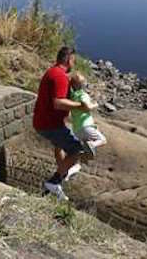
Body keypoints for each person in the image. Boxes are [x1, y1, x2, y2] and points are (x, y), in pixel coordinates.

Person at [33, 46, 92, 201]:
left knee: (59, 145)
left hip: (44, 121)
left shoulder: (52, 71)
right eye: (73, 60)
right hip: (49, 124)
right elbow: (58, 103)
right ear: (68, 59)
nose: (74, 63)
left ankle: (62, 173)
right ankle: (54, 181)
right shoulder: (59, 76)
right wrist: (81, 106)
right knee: (76, 149)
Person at [69, 72, 107, 157]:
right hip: (85, 125)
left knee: (84, 148)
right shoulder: (82, 94)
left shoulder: (72, 96)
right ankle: (92, 145)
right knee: (102, 140)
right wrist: (95, 105)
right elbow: (87, 107)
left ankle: (82, 156)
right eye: (84, 83)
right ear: (81, 85)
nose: (85, 84)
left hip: (76, 129)